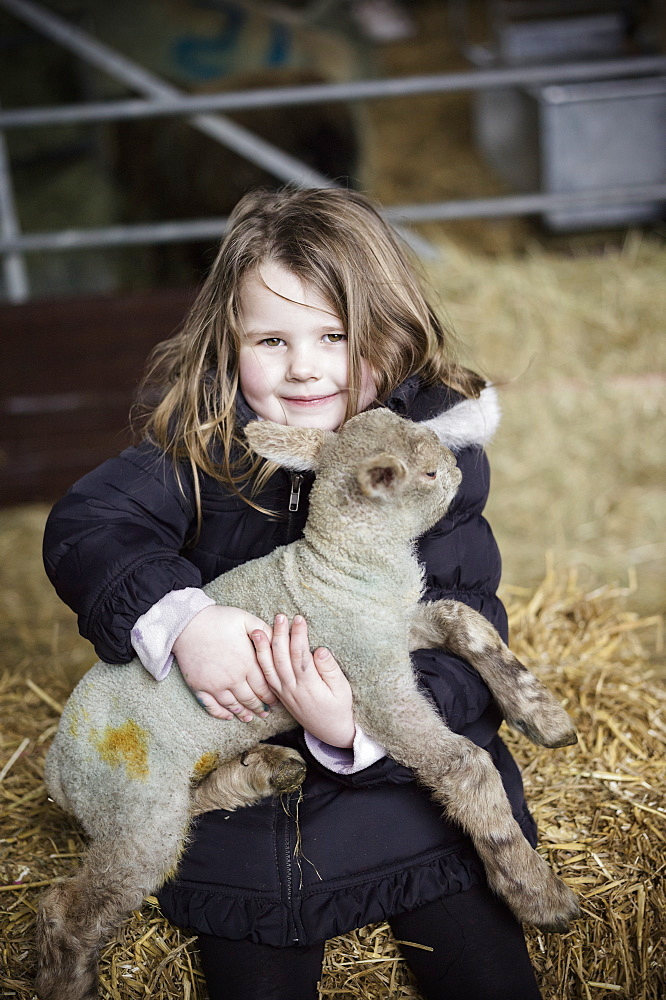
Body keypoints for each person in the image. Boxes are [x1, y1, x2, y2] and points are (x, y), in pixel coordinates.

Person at [43, 187, 543, 1000]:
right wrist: (184, 621)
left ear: (390, 336)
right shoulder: (208, 444)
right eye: (270, 339)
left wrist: (355, 724)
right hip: (240, 767)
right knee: (255, 929)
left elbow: (470, 623)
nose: (304, 366)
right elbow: (89, 524)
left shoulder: (428, 466)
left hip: (389, 774)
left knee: (477, 948)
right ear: (228, 344)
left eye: (335, 336)